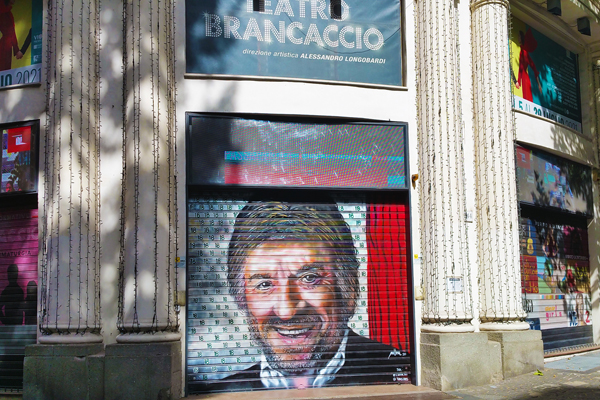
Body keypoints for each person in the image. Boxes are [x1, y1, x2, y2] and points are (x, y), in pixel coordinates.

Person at [206, 200, 408, 391]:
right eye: (265, 284)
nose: (286, 311)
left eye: (309, 278)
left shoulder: (401, 373)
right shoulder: (221, 391)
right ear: (242, 297)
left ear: (349, 289)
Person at [0, 0, 24, 72]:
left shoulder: (7, 11)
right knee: (4, 69)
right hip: (5, 46)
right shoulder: (4, 12)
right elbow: (11, 32)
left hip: (7, 45)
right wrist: (16, 49)